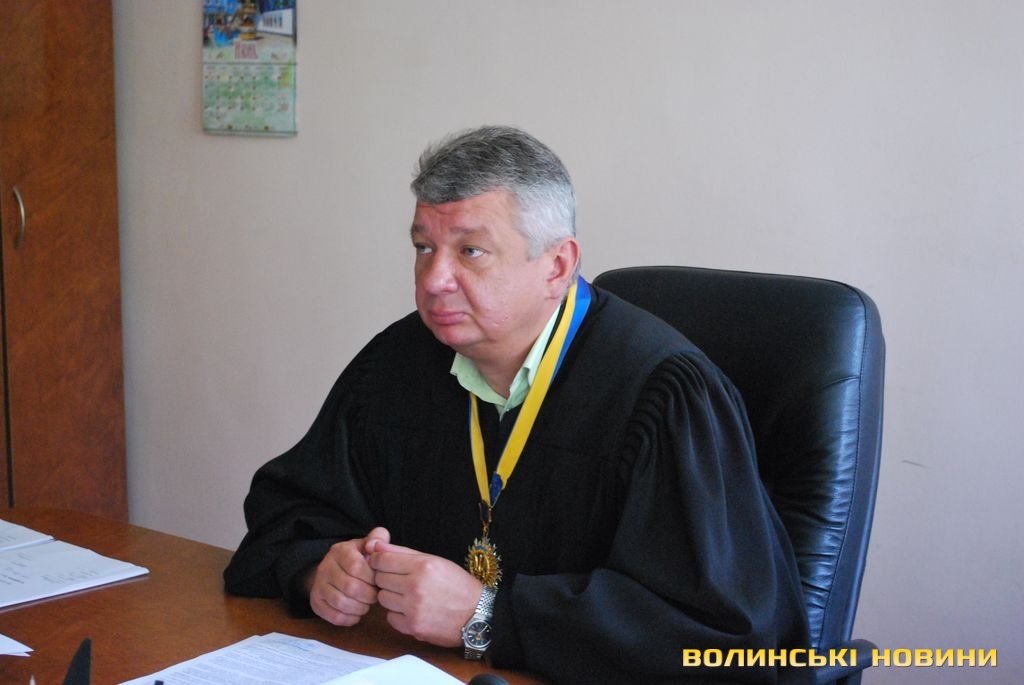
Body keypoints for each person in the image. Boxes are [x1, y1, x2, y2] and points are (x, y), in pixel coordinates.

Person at [224, 125, 812, 684]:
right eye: (424, 247)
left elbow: (728, 641)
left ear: (557, 265)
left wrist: (488, 616)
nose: (434, 280)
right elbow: (290, 512)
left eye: (471, 251)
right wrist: (318, 568)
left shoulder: (663, 394)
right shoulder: (395, 363)